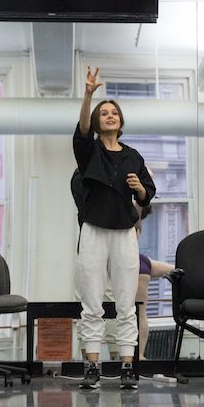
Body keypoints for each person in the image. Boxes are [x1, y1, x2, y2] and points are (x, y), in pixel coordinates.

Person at [74, 66, 156, 390]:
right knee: (92, 302)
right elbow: (81, 128)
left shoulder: (133, 156)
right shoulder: (89, 150)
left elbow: (148, 193)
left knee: (125, 303)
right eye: (103, 113)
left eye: (114, 113)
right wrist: (89, 94)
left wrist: (139, 189)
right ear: (98, 122)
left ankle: (126, 366)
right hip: (93, 231)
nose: (109, 116)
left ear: (120, 122)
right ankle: (92, 367)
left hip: (124, 233)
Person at [134, 205, 175, 358]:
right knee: (140, 314)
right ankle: (139, 356)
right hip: (141, 263)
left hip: (134, 264)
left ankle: (138, 356)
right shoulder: (135, 218)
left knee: (138, 313)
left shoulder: (127, 216)